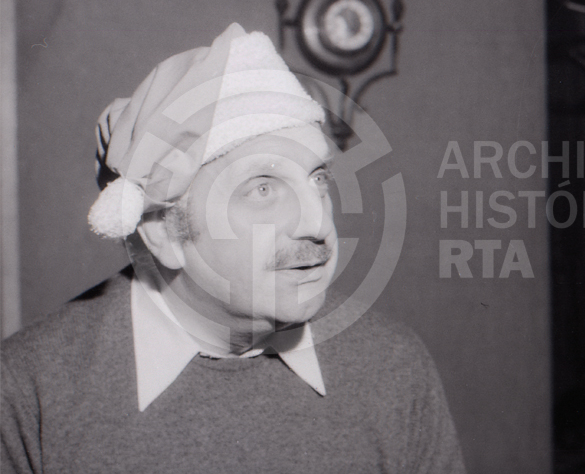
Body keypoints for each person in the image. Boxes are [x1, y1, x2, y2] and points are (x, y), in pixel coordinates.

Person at [1, 23, 466, 473]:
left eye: (318, 179)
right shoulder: (28, 390)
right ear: (163, 232)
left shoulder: (394, 368)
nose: (319, 224)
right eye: (263, 188)